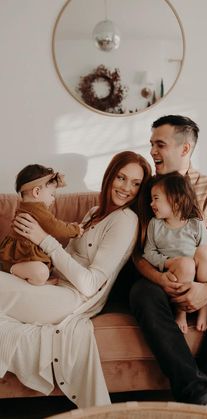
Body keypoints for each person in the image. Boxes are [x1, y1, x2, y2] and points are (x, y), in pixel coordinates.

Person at [0, 151, 151, 408]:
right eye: (122, 177)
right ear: (110, 176)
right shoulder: (93, 212)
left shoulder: (126, 220)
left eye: (136, 183)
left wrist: (43, 240)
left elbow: (91, 284)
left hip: (73, 300)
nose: (127, 188)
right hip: (55, 286)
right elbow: (68, 256)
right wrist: (46, 274)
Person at [130, 115, 207, 406]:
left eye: (159, 144)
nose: (151, 151)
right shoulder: (146, 192)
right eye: (151, 143)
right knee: (141, 293)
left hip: (202, 278)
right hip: (161, 277)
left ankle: (197, 394)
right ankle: (199, 396)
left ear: (185, 149)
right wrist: (159, 277)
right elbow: (138, 253)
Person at [143, 172, 207, 334]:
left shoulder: (195, 224)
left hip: (197, 279)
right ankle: (180, 313)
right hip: (174, 276)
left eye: (156, 198)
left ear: (174, 200)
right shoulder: (155, 225)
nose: (151, 203)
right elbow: (148, 252)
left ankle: (204, 309)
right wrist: (167, 262)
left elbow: (206, 257)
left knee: (206, 251)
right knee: (185, 263)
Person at [0, 164, 83, 285]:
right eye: (52, 194)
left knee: (44, 269)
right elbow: (55, 226)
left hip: (18, 254)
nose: (53, 199)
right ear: (37, 192)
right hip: (21, 255)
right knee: (41, 272)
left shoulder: (26, 206)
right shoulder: (37, 208)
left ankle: (15, 270)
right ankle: (7, 268)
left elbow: (51, 223)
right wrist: (75, 229)